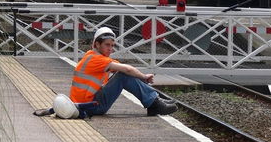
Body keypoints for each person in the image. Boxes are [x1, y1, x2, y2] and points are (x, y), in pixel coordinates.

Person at [33, 27, 177, 118]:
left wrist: (137, 75)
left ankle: (154, 101)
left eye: (112, 46)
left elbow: (127, 70)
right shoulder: (96, 60)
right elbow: (126, 70)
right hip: (91, 106)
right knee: (123, 75)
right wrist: (144, 77)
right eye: (107, 45)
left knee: (126, 74)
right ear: (97, 44)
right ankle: (154, 103)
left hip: (87, 103)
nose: (110, 48)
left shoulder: (93, 57)